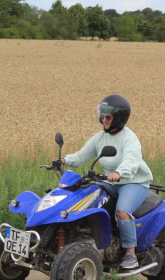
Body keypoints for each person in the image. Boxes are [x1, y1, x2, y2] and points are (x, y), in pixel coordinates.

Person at [61, 94, 153, 269]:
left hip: (133, 182)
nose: (104, 120)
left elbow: (131, 160)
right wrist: (64, 160)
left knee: (122, 211)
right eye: (102, 116)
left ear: (119, 117)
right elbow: (81, 156)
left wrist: (119, 173)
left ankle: (130, 254)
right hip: (111, 182)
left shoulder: (129, 138)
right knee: (85, 198)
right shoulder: (100, 138)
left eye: (108, 117)